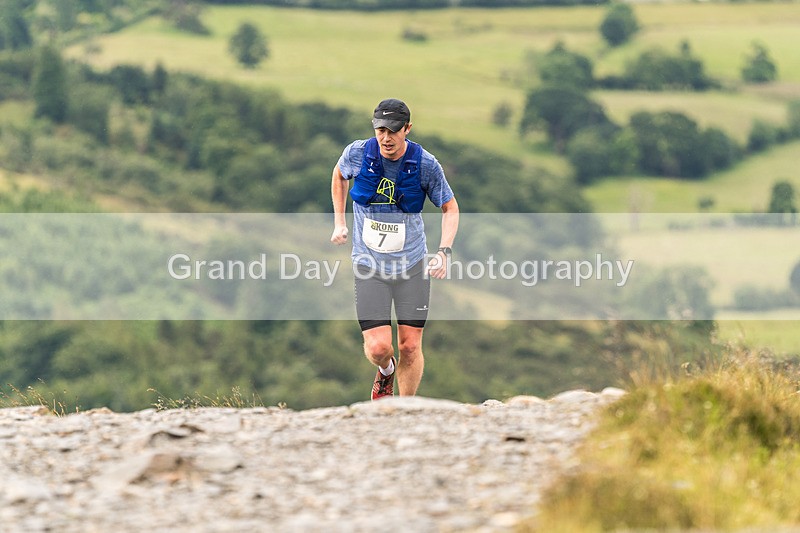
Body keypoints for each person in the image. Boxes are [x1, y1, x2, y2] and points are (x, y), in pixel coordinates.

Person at [330, 98, 459, 401]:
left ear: (407, 129)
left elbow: (450, 208)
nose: (386, 138)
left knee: (410, 346)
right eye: (380, 130)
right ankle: (386, 371)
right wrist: (339, 221)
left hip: (412, 266)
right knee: (379, 348)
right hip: (369, 265)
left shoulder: (426, 164)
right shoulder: (357, 153)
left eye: (393, 130)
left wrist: (444, 252)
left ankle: (405, 409)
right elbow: (338, 175)